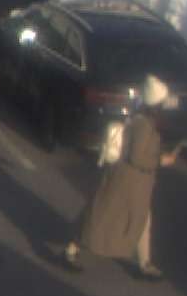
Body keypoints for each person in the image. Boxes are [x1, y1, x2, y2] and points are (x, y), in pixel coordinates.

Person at [64, 76, 178, 279]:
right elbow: (137, 156)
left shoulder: (142, 118)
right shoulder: (144, 125)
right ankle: (72, 248)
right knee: (100, 217)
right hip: (127, 182)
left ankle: (145, 263)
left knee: (139, 219)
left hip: (132, 183)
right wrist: (161, 160)